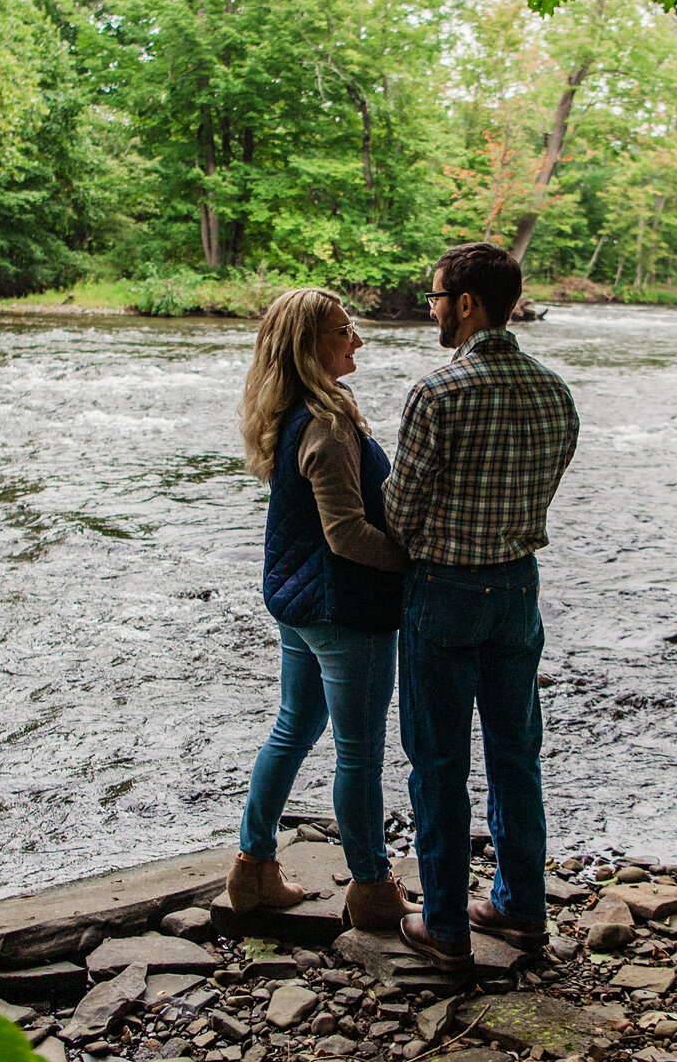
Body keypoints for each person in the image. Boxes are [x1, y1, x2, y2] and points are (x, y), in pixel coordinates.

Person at [385, 242, 579, 969]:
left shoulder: (437, 392)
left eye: (436, 297)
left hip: (445, 591)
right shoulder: (555, 392)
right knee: (515, 756)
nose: (432, 309)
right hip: (518, 589)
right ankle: (522, 909)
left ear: (466, 302)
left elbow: (401, 513)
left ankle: (444, 924)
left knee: (437, 761)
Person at [230, 287, 417, 931]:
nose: (357, 339)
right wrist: (420, 565)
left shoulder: (289, 414)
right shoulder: (328, 425)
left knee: (292, 729)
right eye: (344, 331)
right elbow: (346, 534)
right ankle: (371, 888)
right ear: (310, 346)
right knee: (358, 753)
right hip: (344, 612)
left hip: (297, 603)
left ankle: (252, 869)